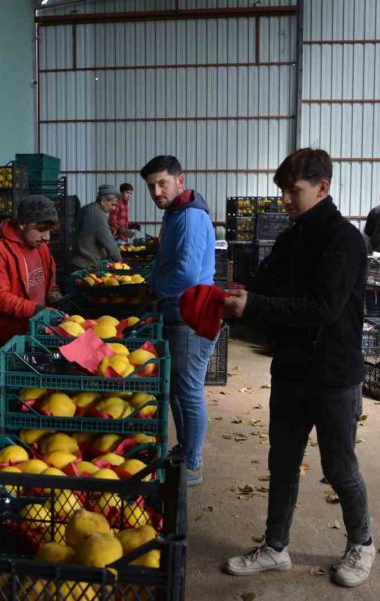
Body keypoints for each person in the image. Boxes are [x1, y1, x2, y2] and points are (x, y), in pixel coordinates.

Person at [219, 148, 374, 588]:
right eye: (282, 190)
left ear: (322, 188)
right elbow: (265, 286)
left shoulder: (345, 241)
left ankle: (361, 543)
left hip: (333, 374)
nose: (285, 199)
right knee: (283, 461)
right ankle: (275, 547)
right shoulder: (291, 238)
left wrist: (257, 303)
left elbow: (323, 309)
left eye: (294, 190)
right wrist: (240, 295)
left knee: (339, 466)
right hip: (290, 368)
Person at [139, 155, 216, 486]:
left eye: (163, 183)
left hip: (192, 315)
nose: (157, 191)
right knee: (175, 390)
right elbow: (165, 260)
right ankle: (184, 449)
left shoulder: (191, 217)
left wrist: (155, 287)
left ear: (179, 181)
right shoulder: (174, 214)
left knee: (189, 391)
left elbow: (185, 273)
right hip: (175, 312)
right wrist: (147, 279)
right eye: (152, 186)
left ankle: (193, 463)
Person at [0, 195, 62, 347]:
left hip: (34, 330)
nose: (46, 237)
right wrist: (35, 309)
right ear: (23, 224)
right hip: (9, 338)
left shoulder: (41, 247)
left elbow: (47, 283)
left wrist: (53, 295)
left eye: (49, 230)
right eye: (41, 230)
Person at [70, 184, 123, 270]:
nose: (114, 209)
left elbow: (90, 230)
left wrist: (108, 228)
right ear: (103, 201)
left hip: (77, 260)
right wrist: (120, 262)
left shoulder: (86, 208)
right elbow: (109, 243)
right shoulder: (97, 214)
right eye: (113, 204)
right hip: (86, 265)